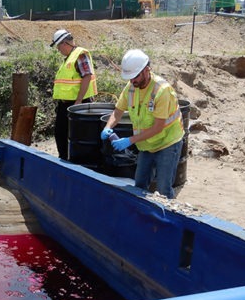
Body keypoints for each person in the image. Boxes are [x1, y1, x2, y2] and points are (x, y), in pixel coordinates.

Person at [101, 49, 183, 198]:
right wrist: (108, 127)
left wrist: (129, 140)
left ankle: (168, 218)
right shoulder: (131, 88)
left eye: (135, 76)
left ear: (146, 70)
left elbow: (158, 127)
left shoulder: (162, 91)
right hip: (146, 144)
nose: (132, 81)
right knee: (139, 186)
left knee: (164, 189)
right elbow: (118, 112)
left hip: (167, 142)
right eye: (130, 78)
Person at [50, 28, 97, 160]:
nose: (59, 50)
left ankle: (75, 163)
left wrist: (78, 102)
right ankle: (64, 160)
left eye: (58, 47)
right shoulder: (69, 58)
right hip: (66, 105)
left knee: (78, 136)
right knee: (61, 134)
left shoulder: (80, 54)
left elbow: (87, 76)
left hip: (78, 105)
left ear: (64, 43)